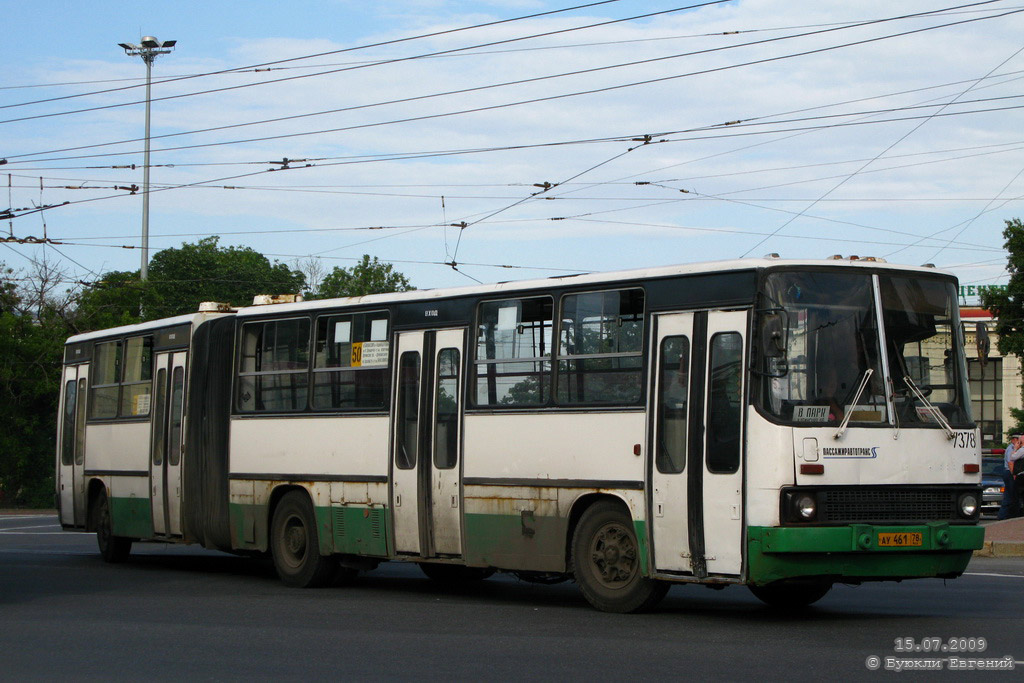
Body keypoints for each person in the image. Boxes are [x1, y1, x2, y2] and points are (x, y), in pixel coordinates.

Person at [1000, 434, 1023, 520]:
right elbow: (1010, 462)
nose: (1019, 442)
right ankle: (1004, 516)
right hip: (1009, 472)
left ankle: (1004, 516)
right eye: (1018, 440)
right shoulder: (1011, 449)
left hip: (1008, 472)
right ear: (1014, 440)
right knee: (1011, 495)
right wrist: (1014, 474)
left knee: (1009, 495)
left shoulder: (1011, 448)